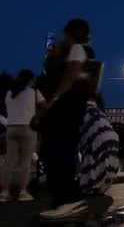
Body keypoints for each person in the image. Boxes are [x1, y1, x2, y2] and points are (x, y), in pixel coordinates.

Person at [39, 19, 96, 219]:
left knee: (61, 152)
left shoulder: (77, 50)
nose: (65, 37)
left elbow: (71, 76)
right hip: (63, 111)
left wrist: (54, 98)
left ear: (73, 34)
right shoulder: (66, 52)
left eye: (67, 34)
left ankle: (68, 200)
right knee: (57, 152)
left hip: (67, 110)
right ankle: (62, 201)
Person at [0, 70, 45, 202]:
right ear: (30, 80)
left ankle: (4, 193)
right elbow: (45, 106)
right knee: (25, 162)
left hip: (11, 129)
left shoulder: (9, 93)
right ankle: (23, 192)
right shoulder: (34, 92)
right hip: (27, 128)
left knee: (9, 162)